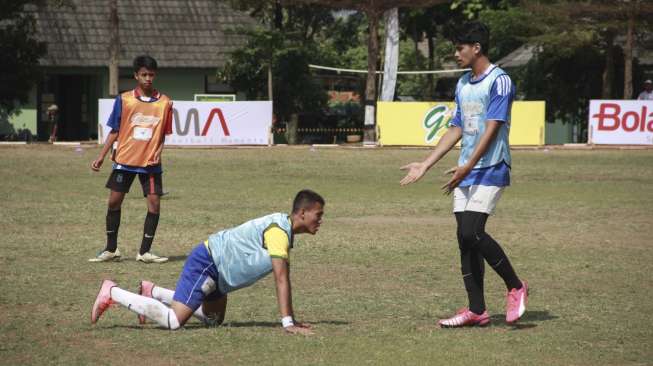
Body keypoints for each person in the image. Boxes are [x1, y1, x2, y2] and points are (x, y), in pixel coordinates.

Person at [399, 22, 527, 328]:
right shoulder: (463, 84)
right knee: (464, 239)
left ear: (476, 48)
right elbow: (457, 128)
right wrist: (426, 164)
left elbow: (492, 128)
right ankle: (477, 310)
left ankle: (516, 286)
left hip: (491, 167)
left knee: (472, 231)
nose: (456, 53)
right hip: (465, 169)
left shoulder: (500, 81)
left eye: (460, 48)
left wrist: (468, 166)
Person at [91, 190, 324, 335]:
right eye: (318, 214)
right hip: (209, 263)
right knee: (174, 321)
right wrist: (287, 323)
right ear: (302, 213)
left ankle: (153, 291)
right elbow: (281, 279)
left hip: (220, 279)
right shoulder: (278, 234)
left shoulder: (283, 231)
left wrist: (291, 319)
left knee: (214, 321)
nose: (320, 220)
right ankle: (112, 292)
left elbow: (284, 278)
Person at [89, 55, 173, 263]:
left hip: (150, 164)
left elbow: (163, 133)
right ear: (136, 75)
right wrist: (101, 155)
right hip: (125, 160)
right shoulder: (124, 99)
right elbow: (115, 130)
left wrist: (159, 151)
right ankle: (111, 249)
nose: (148, 78)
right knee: (114, 202)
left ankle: (144, 252)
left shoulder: (165, 103)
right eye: (143, 74)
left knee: (154, 205)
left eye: (151, 74)